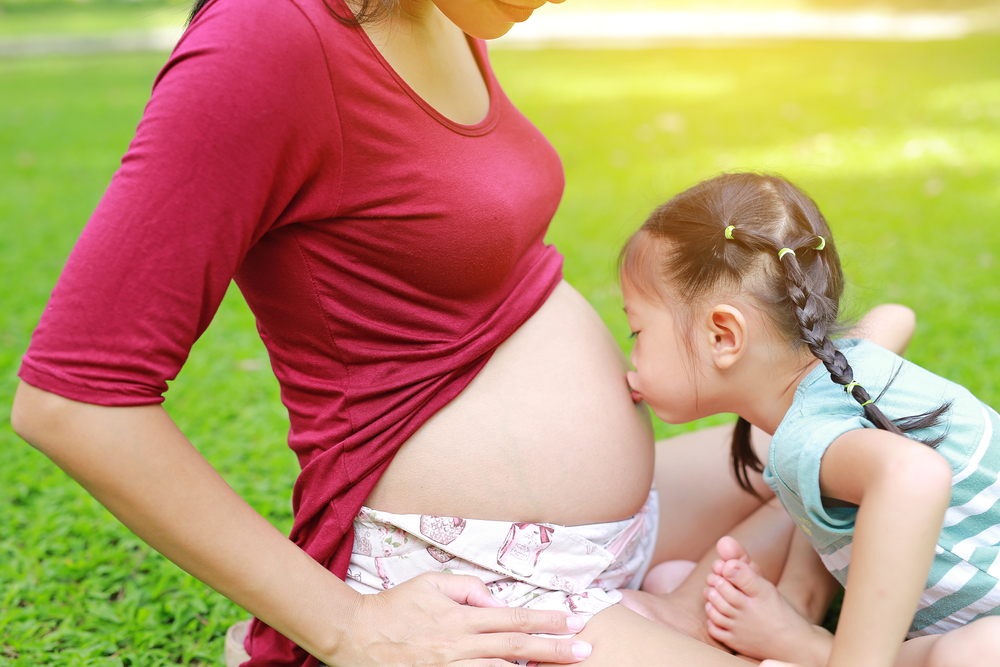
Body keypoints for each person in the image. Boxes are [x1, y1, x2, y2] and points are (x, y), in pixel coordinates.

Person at [10, 0, 911, 664]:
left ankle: (693, 613)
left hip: (616, 523)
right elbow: (73, 400)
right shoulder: (264, 40)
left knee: (856, 440)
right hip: (480, 578)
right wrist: (343, 623)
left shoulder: (447, 13)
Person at [620, 172, 1000, 667]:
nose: (632, 359)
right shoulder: (841, 370)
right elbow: (896, 314)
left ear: (723, 337)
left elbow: (915, 474)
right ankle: (790, 619)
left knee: (968, 655)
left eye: (637, 334)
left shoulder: (810, 432)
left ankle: (808, 648)